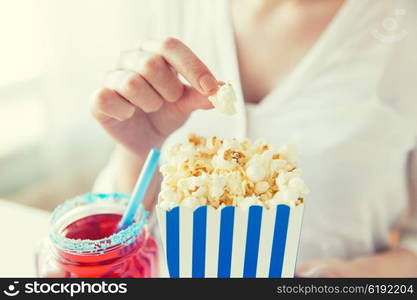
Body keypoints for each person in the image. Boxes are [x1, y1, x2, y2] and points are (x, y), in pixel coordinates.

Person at [90, 0, 417, 277]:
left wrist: (351, 276)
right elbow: (108, 244)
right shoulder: (170, 12)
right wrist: (138, 153)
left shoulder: (404, 31)